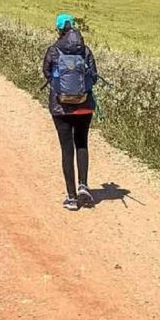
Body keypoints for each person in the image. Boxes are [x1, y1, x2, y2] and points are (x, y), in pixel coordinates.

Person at [42, 13, 98, 211]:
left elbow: (47, 73)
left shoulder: (53, 50)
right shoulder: (85, 51)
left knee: (67, 149)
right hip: (84, 105)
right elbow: (94, 76)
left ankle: (72, 197)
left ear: (59, 29)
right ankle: (83, 185)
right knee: (81, 143)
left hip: (61, 107)